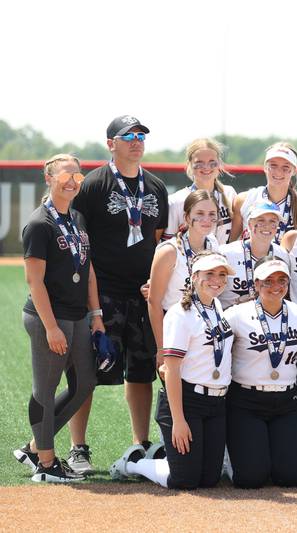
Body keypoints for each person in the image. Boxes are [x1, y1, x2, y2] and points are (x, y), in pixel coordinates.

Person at [70, 115, 169, 472]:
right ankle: (78, 447)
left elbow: (158, 242)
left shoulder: (155, 187)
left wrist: (153, 286)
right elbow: (82, 245)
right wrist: (92, 305)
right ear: (111, 143)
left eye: (141, 135)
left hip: (142, 296)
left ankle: (140, 444)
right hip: (104, 293)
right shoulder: (94, 184)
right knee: (89, 370)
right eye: (128, 135)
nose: (137, 141)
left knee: (141, 372)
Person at [109, 251, 235, 489]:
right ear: (194, 276)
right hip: (187, 402)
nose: (216, 279)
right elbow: (172, 370)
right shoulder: (180, 313)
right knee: (184, 480)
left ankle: (171, 459)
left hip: (216, 404)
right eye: (209, 274)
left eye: (221, 274)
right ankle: (134, 463)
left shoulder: (216, 305)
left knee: (209, 480)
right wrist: (178, 420)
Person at [15, 154, 104, 482]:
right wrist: (51, 327)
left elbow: (89, 270)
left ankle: (34, 447)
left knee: (84, 383)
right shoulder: (40, 223)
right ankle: (47, 465)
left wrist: (96, 316)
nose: (72, 180)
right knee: (46, 389)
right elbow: (34, 281)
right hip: (48, 318)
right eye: (66, 174)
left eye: (77, 176)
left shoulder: (77, 217)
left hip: (78, 316)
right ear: (49, 178)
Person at [224, 257, 297, 488]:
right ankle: (231, 459)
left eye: (282, 280)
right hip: (246, 401)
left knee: (292, 478)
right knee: (250, 479)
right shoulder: (236, 314)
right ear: (256, 284)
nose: (275, 286)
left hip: (286, 401)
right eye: (268, 281)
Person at [148, 190, 220, 379]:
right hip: (174, 330)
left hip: (204, 330)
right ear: (187, 217)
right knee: (175, 397)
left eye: (212, 214)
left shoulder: (213, 244)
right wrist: (161, 348)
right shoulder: (169, 251)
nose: (207, 219)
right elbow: (154, 302)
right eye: (200, 214)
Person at [163, 138, 240, 245]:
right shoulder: (176, 201)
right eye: (199, 162)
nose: (206, 167)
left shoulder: (229, 193)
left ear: (219, 163)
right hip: (190, 261)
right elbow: (167, 244)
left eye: (212, 162)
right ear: (189, 164)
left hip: (224, 260)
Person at [219, 201, 291, 309]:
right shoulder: (226, 253)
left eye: (272, 221)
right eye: (261, 221)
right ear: (249, 224)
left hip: (265, 319)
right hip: (229, 319)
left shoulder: (282, 254)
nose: (267, 226)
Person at [235, 142, 297, 243]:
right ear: (265, 167)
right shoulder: (244, 200)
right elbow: (232, 242)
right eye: (273, 165)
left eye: (285, 167)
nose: (278, 172)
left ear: (294, 170)